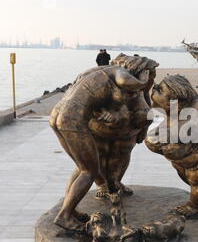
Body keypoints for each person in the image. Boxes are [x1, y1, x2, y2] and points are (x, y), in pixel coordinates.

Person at [49, 65, 151, 231]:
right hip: (72, 119)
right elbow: (128, 82)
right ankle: (65, 216)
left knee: (81, 167)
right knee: (89, 171)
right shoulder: (119, 72)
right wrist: (144, 80)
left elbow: (87, 94)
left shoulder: (94, 73)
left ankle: (71, 210)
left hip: (57, 114)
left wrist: (102, 112)